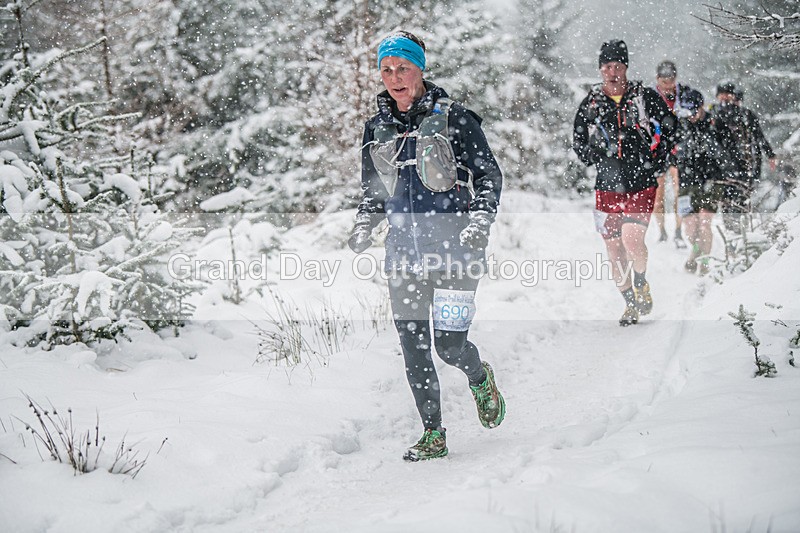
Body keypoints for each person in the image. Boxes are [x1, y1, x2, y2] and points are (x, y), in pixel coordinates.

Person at [348, 31, 505, 462]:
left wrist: (480, 220)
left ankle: (479, 376)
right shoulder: (376, 129)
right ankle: (433, 434)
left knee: (449, 346)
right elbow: (374, 190)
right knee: (413, 346)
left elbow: (489, 176)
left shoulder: (455, 119)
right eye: (386, 69)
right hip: (403, 257)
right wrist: (366, 222)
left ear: (420, 69)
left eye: (403, 67)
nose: (394, 77)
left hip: (456, 253)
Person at [573, 40, 676, 326]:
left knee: (632, 238)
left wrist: (659, 160)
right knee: (613, 248)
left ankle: (641, 281)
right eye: (607, 66)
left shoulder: (644, 97)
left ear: (626, 67)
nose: (612, 71)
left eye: (618, 65)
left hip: (641, 181)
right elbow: (578, 140)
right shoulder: (592, 102)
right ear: (600, 69)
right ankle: (630, 302)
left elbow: (670, 127)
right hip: (605, 185)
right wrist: (592, 154)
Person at [709, 82, 777, 231]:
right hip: (725, 169)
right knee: (728, 204)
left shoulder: (745, 114)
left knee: (741, 203)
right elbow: (712, 142)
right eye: (722, 94)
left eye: (728, 94)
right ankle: (734, 235)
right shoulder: (715, 115)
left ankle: (741, 235)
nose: (725, 97)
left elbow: (759, 136)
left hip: (745, 167)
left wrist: (770, 154)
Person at [671, 88, 721, 276]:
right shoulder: (679, 125)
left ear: (701, 107)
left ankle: (705, 263)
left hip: (710, 181)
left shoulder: (714, 124)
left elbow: (724, 153)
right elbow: (669, 150)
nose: (690, 115)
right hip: (687, 182)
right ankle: (696, 254)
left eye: (693, 110)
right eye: (686, 111)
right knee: (690, 229)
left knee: (705, 224)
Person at [652, 60, 699, 249]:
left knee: (681, 192)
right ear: (657, 79)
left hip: (680, 149)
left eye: (670, 79)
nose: (667, 84)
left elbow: (697, 113)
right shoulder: (650, 95)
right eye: (664, 80)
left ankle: (679, 230)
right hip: (657, 151)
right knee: (658, 194)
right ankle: (662, 230)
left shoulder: (686, 93)